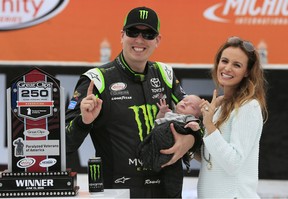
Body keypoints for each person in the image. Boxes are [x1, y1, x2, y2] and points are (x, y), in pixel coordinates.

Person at [65, 6, 196, 198]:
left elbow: (196, 118)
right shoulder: (96, 79)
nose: (139, 40)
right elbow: (65, 142)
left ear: (157, 40)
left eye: (148, 34)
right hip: (118, 190)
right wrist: (83, 122)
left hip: (166, 189)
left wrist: (191, 138)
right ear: (122, 35)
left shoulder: (165, 74)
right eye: (133, 32)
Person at [197, 36, 268, 198]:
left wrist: (209, 125)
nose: (227, 68)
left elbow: (233, 163)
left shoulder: (248, 107)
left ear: (247, 72)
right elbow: (212, 160)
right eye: (224, 61)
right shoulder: (221, 107)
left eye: (237, 65)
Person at [138, 95, 203, 197]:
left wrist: (194, 127)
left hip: (173, 145)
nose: (186, 103)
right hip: (157, 142)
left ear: (196, 116)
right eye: (185, 100)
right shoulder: (169, 114)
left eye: (192, 107)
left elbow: (195, 129)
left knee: (172, 180)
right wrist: (162, 112)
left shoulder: (189, 119)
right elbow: (158, 121)